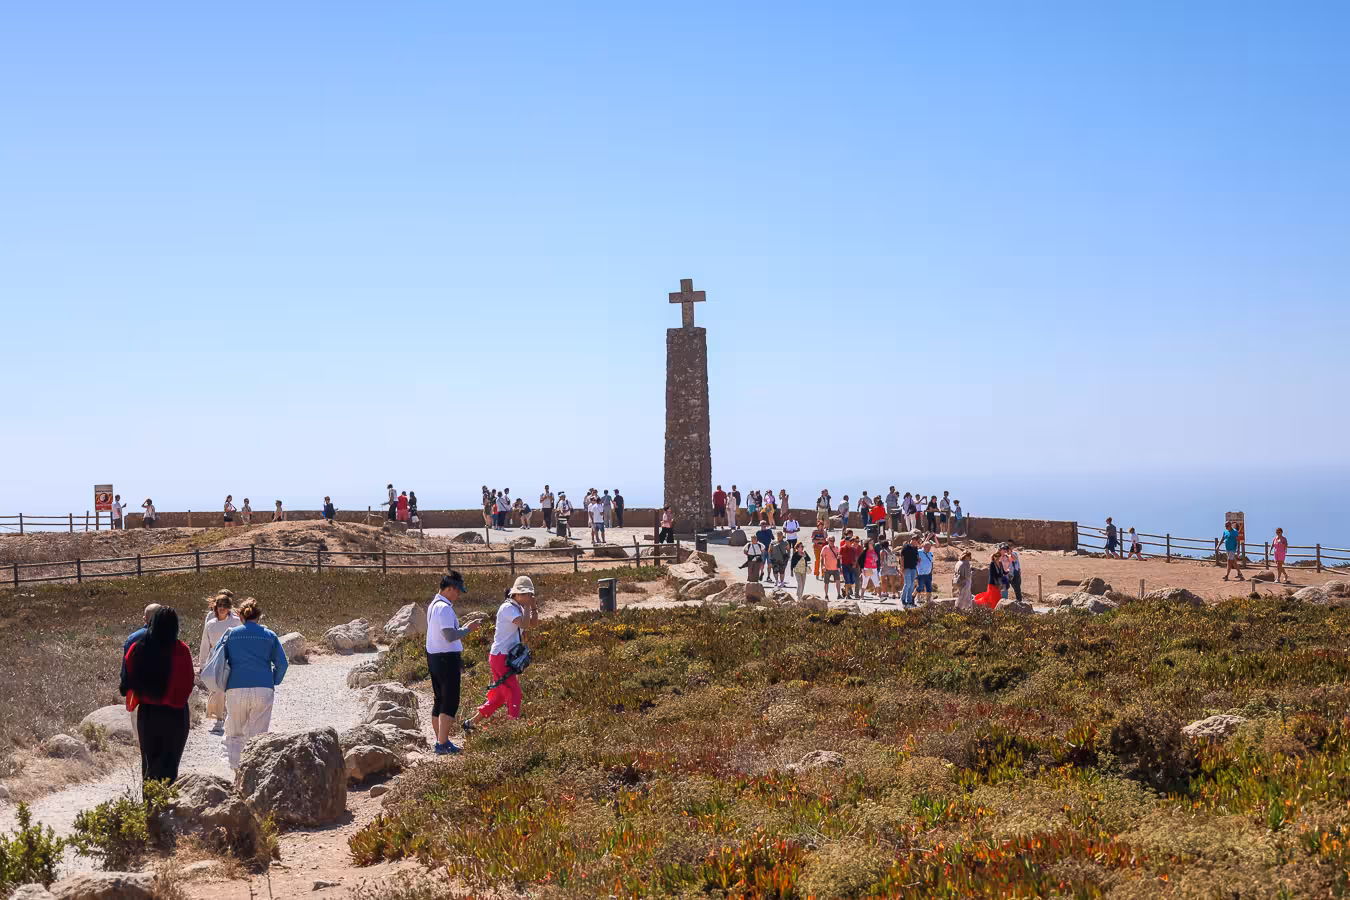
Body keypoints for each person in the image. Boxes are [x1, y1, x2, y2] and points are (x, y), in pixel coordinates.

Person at [121, 607, 194, 787]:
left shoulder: (137, 649)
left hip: (148, 713)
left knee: (149, 764)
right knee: (170, 764)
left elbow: (126, 681)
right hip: (176, 714)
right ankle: (166, 808)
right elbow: (188, 682)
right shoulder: (181, 649)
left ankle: (149, 809)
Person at [220, 598, 289, 771]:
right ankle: (254, 774)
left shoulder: (231, 634)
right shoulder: (269, 635)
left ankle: (236, 773)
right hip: (263, 688)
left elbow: (219, 660)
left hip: (236, 687)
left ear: (240, 615)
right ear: (259, 616)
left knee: (234, 733)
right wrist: (272, 680)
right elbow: (282, 664)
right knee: (258, 736)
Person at [462, 576, 538, 731]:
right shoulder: (508, 608)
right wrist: (529, 607)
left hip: (506, 656)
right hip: (501, 657)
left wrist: (534, 608)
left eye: (530, 594)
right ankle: (512, 728)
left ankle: (470, 723)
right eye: (526, 594)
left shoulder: (519, 607)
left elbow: (532, 624)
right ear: (516, 594)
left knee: (498, 697)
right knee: (514, 693)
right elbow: (523, 623)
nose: (529, 597)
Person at [426, 572, 481, 754]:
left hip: (434, 657)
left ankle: (441, 740)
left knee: (439, 699)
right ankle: (442, 744)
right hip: (447, 658)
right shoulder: (444, 608)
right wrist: (468, 629)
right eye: (457, 591)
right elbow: (449, 635)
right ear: (449, 589)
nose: (459, 596)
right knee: (450, 701)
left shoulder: (433, 605)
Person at [198, 592, 241, 734]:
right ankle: (219, 719)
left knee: (229, 689)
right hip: (215, 659)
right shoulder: (210, 624)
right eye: (219, 606)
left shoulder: (236, 622)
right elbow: (204, 645)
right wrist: (202, 664)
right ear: (215, 608)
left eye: (224, 606)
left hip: (231, 657)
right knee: (217, 690)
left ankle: (230, 717)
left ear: (229, 607)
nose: (222, 608)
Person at [900, 535, 920, 608]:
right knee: (907, 584)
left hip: (913, 568)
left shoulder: (915, 548)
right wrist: (902, 567)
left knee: (911, 585)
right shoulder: (906, 547)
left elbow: (916, 557)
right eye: (917, 541)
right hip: (907, 568)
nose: (918, 543)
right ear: (914, 540)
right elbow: (902, 557)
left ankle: (909, 600)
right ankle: (903, 599)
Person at [839, 532, 860, 599]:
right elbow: (839, 557)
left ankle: (844, 589)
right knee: (847, 580)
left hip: (851, 566)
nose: (851, 542)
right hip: (845, 566)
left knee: (852, 580)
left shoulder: (853, 549)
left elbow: (855, 557)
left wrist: (854, 564)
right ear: (846, 541)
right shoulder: (842, 548)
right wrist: (840, 567)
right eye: (849, 540)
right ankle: (847, 595)